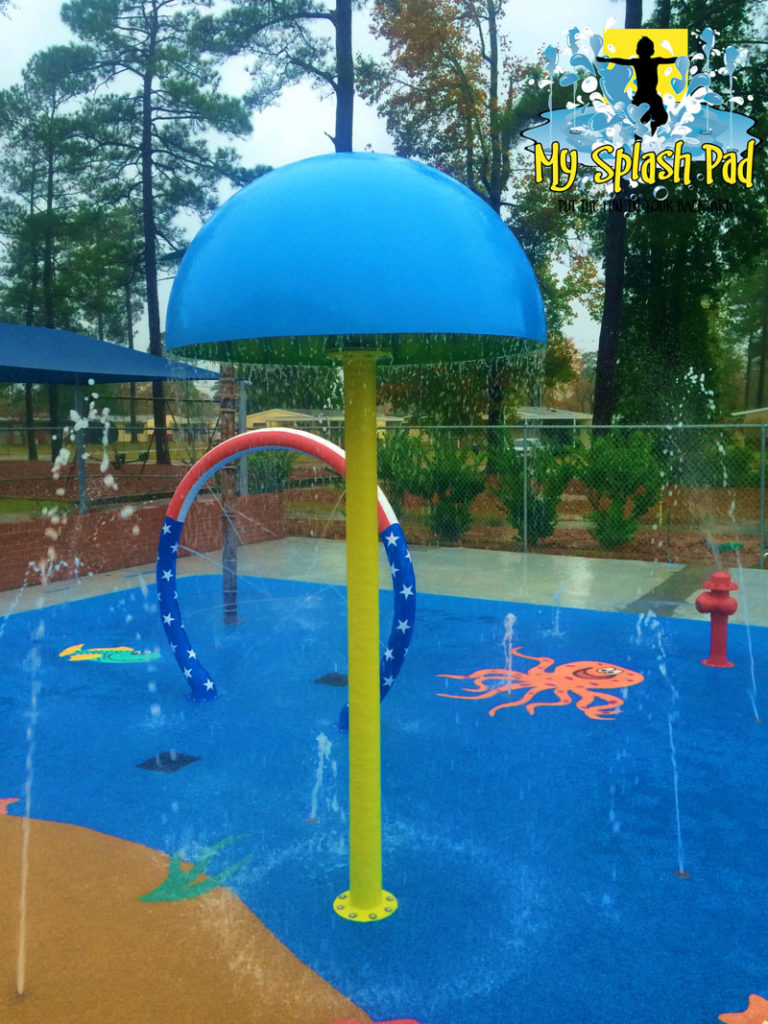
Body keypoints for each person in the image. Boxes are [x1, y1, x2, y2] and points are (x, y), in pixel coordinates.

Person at [597, 36, 677, 134]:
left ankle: (648, 128)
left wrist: (606, 60)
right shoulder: (653, 61)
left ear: (638, 51)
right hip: (649, 96)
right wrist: (684, 59)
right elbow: (671, 60)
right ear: (652, 51)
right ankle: (648, 128)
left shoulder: (639, 62)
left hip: (643, 97)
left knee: (649, 119)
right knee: (657, 119)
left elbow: (621, 61)